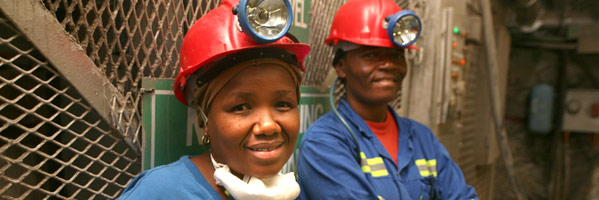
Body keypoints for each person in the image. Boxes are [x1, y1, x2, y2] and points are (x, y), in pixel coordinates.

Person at [118, 0, 310, 199]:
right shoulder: (160, 193)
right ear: (204, 118)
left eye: (283, 104)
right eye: (241, 107)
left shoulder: (290, 192)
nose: (269, 126)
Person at [296, 0, 478, 199]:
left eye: (396, 56)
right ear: (341, 66)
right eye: (371, 55)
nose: (389, 65)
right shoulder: (325, 142)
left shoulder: (421, 137)